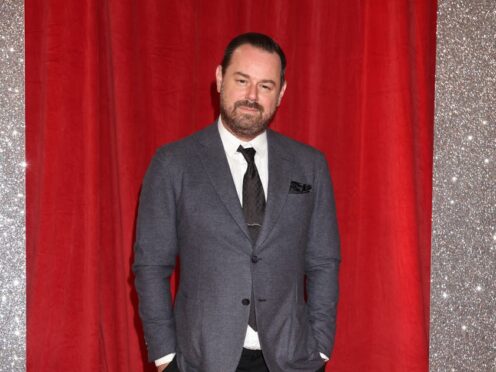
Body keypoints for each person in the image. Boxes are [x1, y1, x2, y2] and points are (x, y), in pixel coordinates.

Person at [133, 32, 340, 372]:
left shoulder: (310, 165)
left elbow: (324, 262)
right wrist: (165, 357)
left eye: (266, 86)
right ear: (219, 79)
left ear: (281, 93)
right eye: (242, 80)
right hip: (200, 360)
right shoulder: (173, 163)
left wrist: (319, 349)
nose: (252, 96)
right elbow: (150, 266)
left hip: (292, 360)